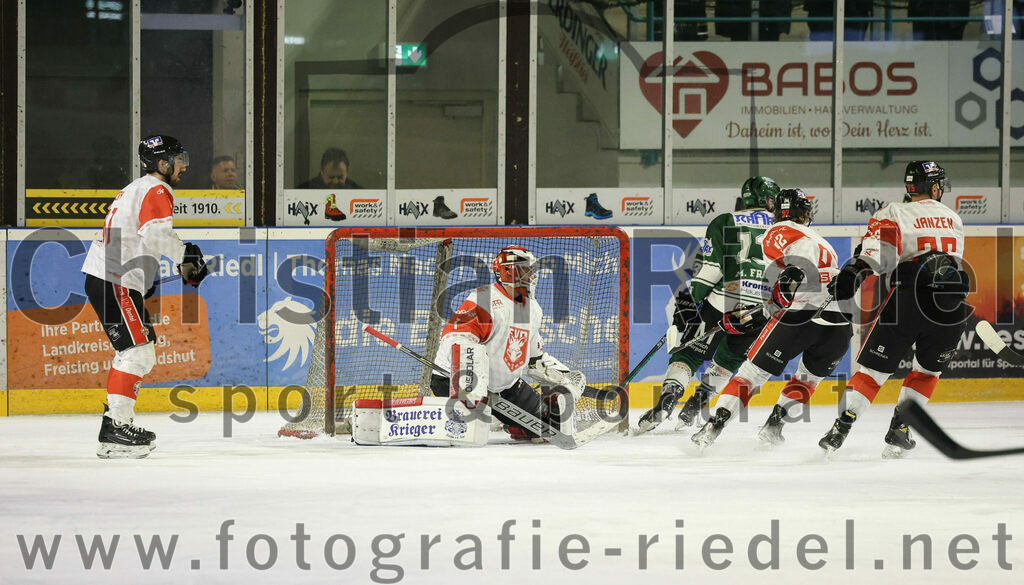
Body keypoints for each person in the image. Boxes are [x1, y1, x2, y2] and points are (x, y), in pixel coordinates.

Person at [819, 161, 969, 458]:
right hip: (950, 305)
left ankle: (842, 426)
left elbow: (879, 256)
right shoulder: (953, 218)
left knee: (872, 372)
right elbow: (951, 262)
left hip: (908, 299)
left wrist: (855, 273)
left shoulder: (894, 212)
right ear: (935, 187)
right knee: (927, 372)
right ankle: (900, 428)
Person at [691, 189, 852, 450]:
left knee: (752, 373)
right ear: (805, 213)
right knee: (808, 378)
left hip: (801, 310)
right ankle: (774, 426)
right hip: (840, 317)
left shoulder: (776, 231)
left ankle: (713, 427)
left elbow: (792, 271)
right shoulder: (824, 242)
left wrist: (763, 307)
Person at [81, 135, 210, 459]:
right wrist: (185, 257)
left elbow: (136, 237)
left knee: (137, 351)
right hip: (114, 279)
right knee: (137, 352)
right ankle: (115, 429)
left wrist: (145, 278)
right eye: (178, 160)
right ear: (162, 164)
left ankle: (117, 426)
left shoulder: (135, 188)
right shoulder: (157, 188)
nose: (183, 166)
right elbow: (154, 234)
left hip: (115, 278)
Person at [636, 176, 779, 434]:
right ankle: (696, 405)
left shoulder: (726, 221)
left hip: (723, 301)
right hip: (761, 310)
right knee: (729, 359)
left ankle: (668, 399)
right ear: (767, 199)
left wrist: (690, 302)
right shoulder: (786, 228)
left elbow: (710, 269)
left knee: (689, 353)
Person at [430, 245, 587, 440]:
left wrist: (559, 375)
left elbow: (532, 357)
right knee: (466, 435)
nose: (529, 275)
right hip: (457, 381)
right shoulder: (485, 299)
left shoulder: (532, 309)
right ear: (506, 272)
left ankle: (517, 427)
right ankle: (497, 416)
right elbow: (455, 338)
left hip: (503, 388)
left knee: (550, 425)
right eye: (523, 270)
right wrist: (474, 381)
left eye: (530, 270)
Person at [298, 147, 361, 221]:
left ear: (347, 172)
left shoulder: (359, 193)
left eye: (340, 177)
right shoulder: (303, 191)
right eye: (331, 177)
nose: (335, 181)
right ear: (322, 171)